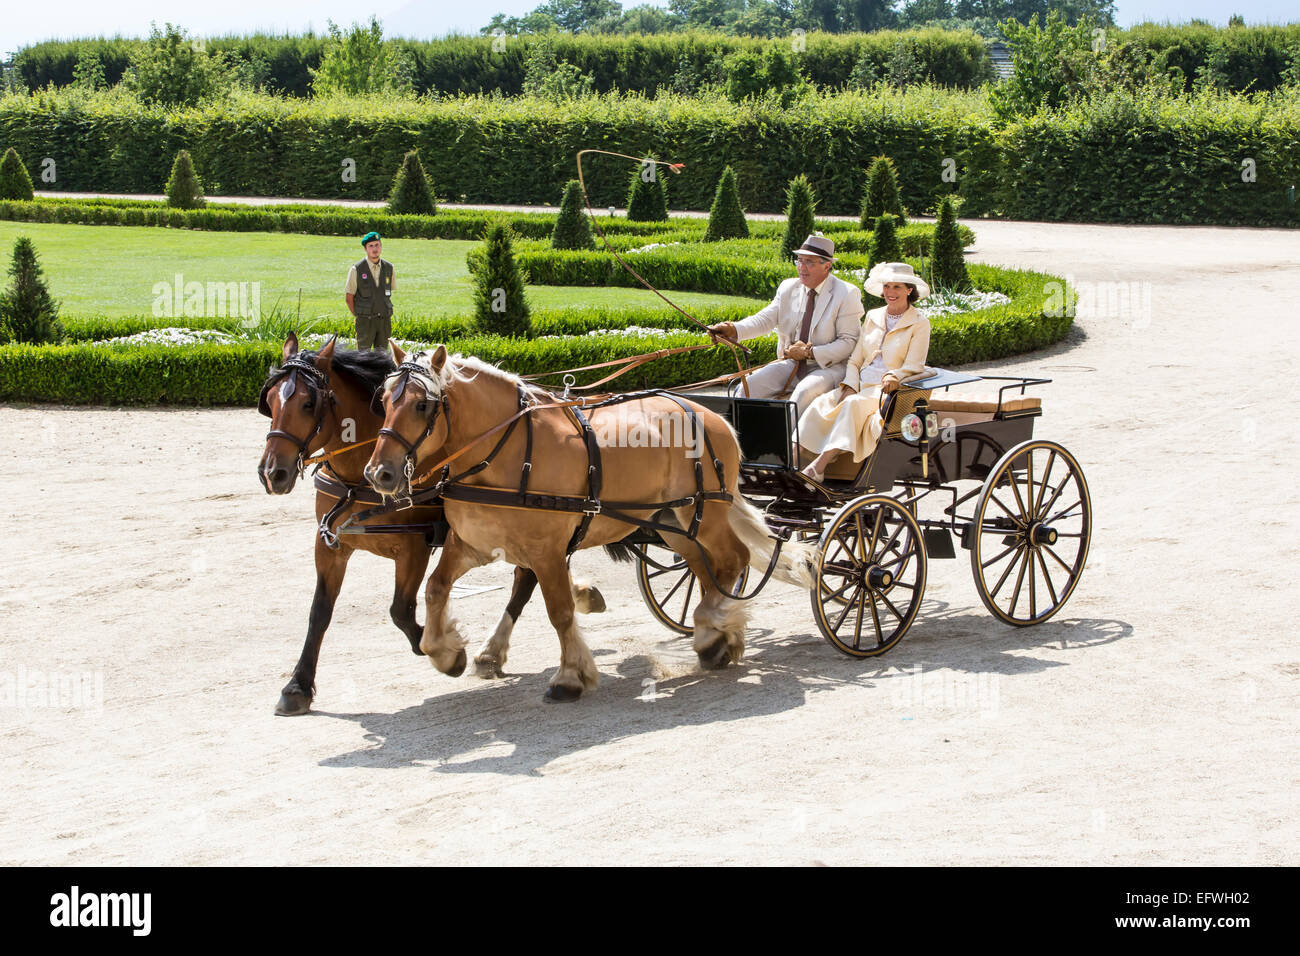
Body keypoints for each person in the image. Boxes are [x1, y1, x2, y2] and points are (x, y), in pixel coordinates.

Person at [799, 262, 932, 483]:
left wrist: (895, 376)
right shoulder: (873, 316)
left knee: (852, 405)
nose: (890, 292)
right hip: (860, 386)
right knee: (819, 405)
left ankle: (818, 468)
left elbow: (915, 365)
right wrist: (850, 384)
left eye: (897, 287)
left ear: (909, 289)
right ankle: (792, 463)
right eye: (887, 286)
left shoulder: (919, 323)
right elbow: (856, 359)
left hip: (886, 392)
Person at [707, 234, 863, 415]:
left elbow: (849, 342)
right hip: (791, 364)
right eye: (799, 261)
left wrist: (809, 352)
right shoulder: (788, 287)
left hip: (828, 368)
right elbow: (765, 319)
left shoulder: (846, 293)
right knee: (746, 388)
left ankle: (790, 443)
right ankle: (744, 440)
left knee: (802, 394)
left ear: (827, 266)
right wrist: (733, 329)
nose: (802, 268)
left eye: (809, 262)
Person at [345, 231, 395, 352]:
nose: (374, 249)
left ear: (381, 247)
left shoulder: (389, 268)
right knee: (363, 358)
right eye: (371, 246)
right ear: (365, 249)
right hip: (365, 322)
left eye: (377, 245)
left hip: (384, 322)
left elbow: (388, 293)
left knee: (382, 357)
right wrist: (359, 315)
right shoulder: (356, 269)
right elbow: (349, 298)